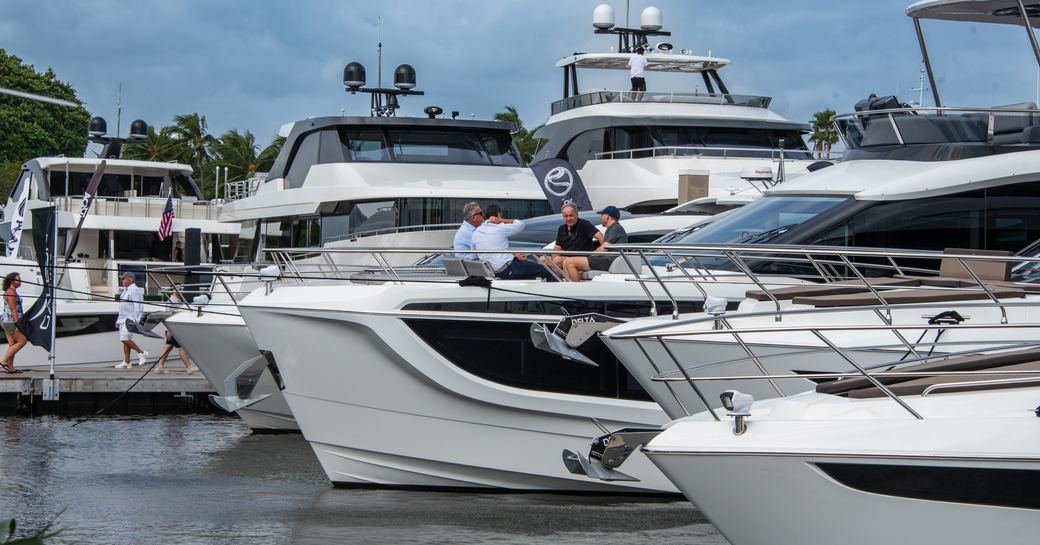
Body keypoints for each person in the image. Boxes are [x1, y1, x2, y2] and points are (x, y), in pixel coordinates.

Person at [472, 204, 554, 280]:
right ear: (499, 214)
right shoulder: (500, 228)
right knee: (546, 270)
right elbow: (520, 224)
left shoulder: (476, 232)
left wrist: (513, 255)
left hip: (491, 271)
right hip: (506, 269)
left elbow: (474, 255)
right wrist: (501, 220)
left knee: (528, 267)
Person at [563, 205, 628, 281]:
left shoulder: (615, 228)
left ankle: (577, 289)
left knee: (570, 262)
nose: (600, 218)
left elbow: (604, 248)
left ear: (607, 216)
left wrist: (589, 256)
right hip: (607, 259)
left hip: (609, 260)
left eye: (602, 215)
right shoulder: (613, 228)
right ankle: (570, 286)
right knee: (566, 262)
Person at [543, 202, 604, 273]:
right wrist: (552, 261)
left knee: (557, 261)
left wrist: (601, 253)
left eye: (571, 215)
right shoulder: (562, 228)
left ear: (577, 214)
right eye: (566, 216)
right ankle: (552, 279)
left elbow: (600, 236)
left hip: (580, 259)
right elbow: (557, 248)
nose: (568, 219)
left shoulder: (584, 224)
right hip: (565, 257)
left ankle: (557, 281)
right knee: (543, 259)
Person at [155, 285, 198, 375]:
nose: (181, 290)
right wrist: (170, 330)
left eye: (181, 289)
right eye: (178, 288)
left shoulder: (178, 301)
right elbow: (168, 316)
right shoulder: (171, 301)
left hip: (174, 328)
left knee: (168, 347)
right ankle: (189, 367)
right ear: (173, 290)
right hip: (173, 328)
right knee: (181, 348)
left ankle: (159, 367)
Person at [114, 271, 149, 369]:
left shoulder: (134, 290)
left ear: (130, 280)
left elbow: (138, 305)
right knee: (126, 340)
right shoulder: (126, 290)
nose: (122, 281)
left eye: (124, 279)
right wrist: (118, 320)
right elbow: (122, 307)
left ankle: (142, 353)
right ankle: (127, 361)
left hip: (130, 319)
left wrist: (136, 319)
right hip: (123, 319)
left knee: (124, 338)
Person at [1, 272, 27, 373]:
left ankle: (10, 367)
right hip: (11, 321)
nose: (20, 281)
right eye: (18, 280)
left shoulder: (11, 291)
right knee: (22, 341)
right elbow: (13, 309)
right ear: (12, 281)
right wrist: (17, 322)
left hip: (7, 321)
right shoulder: (11, 292)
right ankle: (3, 361)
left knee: (13, 344)